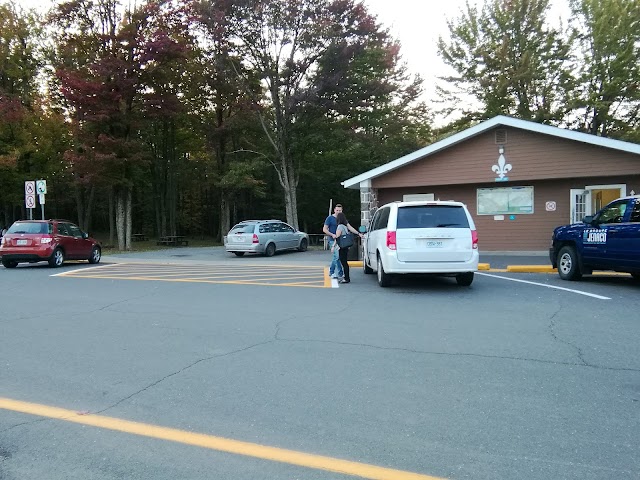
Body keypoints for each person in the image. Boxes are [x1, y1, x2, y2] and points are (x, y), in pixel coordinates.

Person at [333, 211, 364, 284]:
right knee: (345, 262)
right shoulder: (345, 226)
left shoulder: (340, 226)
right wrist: (359, 233)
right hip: (346, 247)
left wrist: (333, 245)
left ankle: (346, 278)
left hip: (341, 247)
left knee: (343, 262)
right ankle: (346, 277)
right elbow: (351, 229)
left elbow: (337, 237)